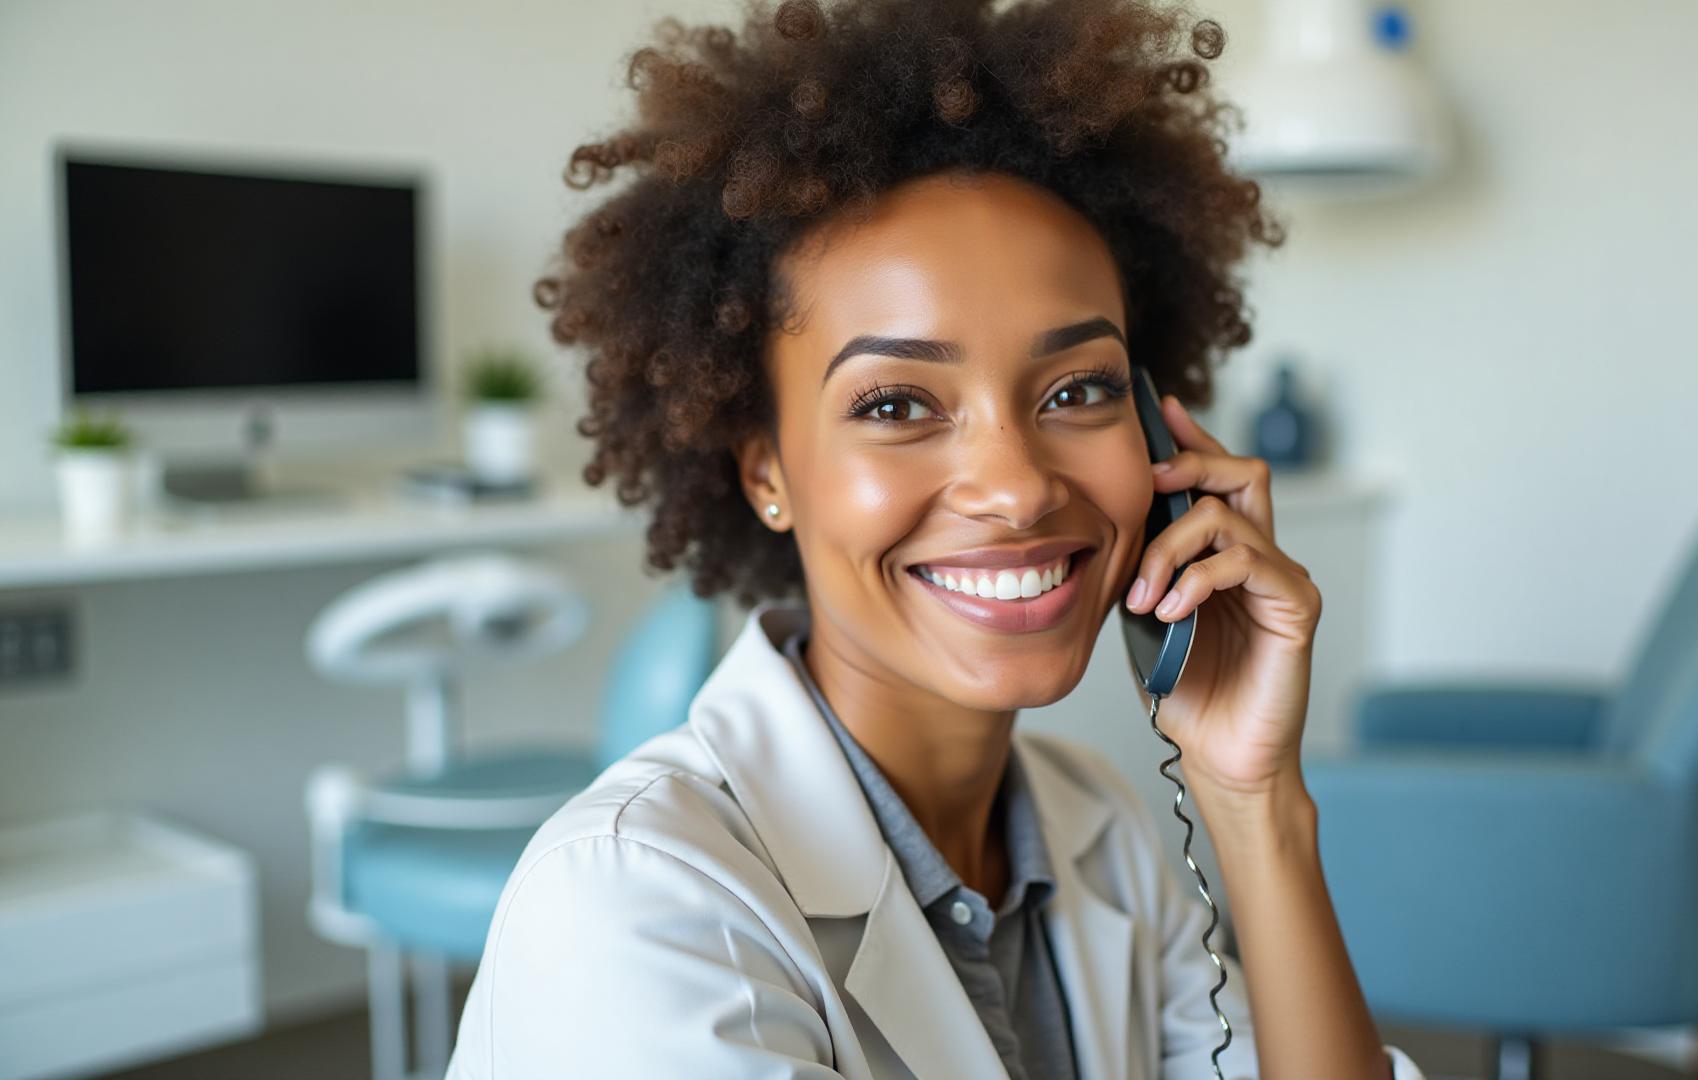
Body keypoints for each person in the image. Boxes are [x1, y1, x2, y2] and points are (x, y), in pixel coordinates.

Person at [447, 0, 1428, 1076]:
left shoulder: (1094, 824)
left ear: (1157, 431)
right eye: (896, 405)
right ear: (766, 469)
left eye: (1079, 389)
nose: (1014, 486)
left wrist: (1256, 803)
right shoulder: (637, 899)